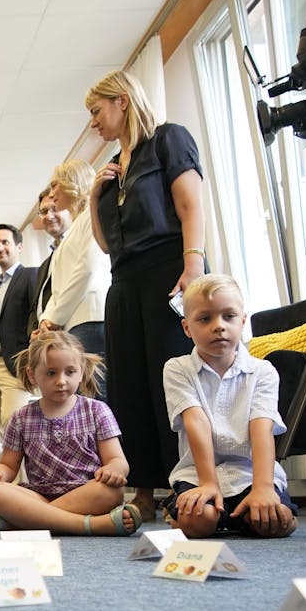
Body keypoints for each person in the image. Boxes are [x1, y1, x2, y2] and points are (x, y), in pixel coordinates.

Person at [86, 69, 207, 524]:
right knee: (131, 389)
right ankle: (143, 490)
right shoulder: (116, 168)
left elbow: (190, 205)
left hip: (168, 271)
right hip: (124, 282)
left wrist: (192, 262)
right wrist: (94, 195)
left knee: (171, 382)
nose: (94, 122)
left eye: (96, 111)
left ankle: (187, 484)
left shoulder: (167, 141)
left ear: (121, 100)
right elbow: (104, 243)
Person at [162, 274, 297, 538]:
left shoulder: (263, 371)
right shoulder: (177, 368)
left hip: (249, 474)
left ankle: (275, 514)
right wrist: (208, 483)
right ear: (187, 328)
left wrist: (263, 487)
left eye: (229, 316)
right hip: (197, 474)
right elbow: (195, 422)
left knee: (272, 522)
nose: (219, 326)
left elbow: (261, 430)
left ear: (242, 321)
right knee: (199, 522)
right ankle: (194, 515)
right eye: (205, 318)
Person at [0, 330, 140, 537]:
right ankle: (91, 525)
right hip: (39, 494)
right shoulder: (20, 419)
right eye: (51, 373)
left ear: (81, 372)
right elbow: (8, 466)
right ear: (32, 375)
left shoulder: (97, 410)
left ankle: (22, 522)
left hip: (86, 492)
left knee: (111, 491)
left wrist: (114, 470)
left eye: (70, 372)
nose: (61, 381)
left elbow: (117, 460)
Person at [34, 159, 111, 363]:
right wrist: (45, 320)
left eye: (55, 185)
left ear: (72, 183)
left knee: (93, 392)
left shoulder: (92, 216)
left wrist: (55, 318)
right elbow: (59, 287)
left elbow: (87, 270)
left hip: (91, 320)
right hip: (75, 323)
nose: (51, 194)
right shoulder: (72, 231)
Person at [0, 223, 38, 435]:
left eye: (5, 242)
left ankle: (27, 470)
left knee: (15, 430)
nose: (0, 248)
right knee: (4, 433)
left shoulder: (31, 276)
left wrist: (32, 363)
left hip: (15, 367)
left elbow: (37, 319)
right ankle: (12, 470)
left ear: (19, 246)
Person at [28, 185, 64, 338]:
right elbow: (36, 306)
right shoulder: (45, 265)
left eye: (54, 208)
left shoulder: (79, 245)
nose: (48, 216)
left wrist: (50, 321)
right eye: (43, 211)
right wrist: (34, 331)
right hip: (46, 339)